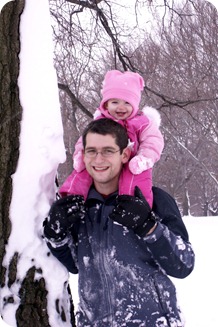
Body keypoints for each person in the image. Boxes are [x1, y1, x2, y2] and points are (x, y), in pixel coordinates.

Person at [43, 118, 195, 327]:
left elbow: (183, 265)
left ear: (124, 154)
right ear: (83, 154)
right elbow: (76, 265)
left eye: (108, 151)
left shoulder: (153, 199)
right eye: (91, 151)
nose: (98, 159)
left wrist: (149, 227)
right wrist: (56, 234)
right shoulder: (79, 205)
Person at [59, 70, 164, 208]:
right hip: (109, 163)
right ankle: (69, 201)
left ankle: (136, 208)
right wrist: (80, 153)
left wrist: (144, 158)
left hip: (134, 162)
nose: (121, 107)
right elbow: (84, 140)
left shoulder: (142, 122)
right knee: (82, 173)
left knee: (137, 182)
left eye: (127, 102)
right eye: (115, 102)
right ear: (106, 105)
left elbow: (153, 141)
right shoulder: (100, 122)